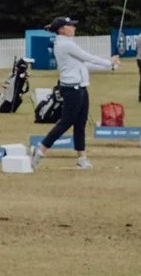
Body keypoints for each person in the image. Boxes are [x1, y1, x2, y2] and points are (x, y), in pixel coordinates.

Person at [34, 16, 116, 168]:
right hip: (72, 88)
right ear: (61, 30)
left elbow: (83, 65)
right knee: (66, 122)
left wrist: (108, 67)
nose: (74, 28)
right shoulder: (65, 44)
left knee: (80, 124)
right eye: (70, 26)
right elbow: (88, 57)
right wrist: (108, 62)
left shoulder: (67, 43)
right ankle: (41, 149)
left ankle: (82, 158)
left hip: (81, 87)